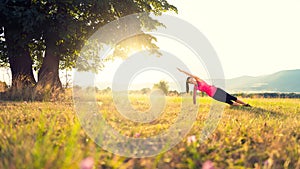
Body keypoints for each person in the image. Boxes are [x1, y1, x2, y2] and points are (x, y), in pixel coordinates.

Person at [177, 68, 251, 107]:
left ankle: (245, 104)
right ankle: (242, 107)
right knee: (229, 102)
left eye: (191, 80)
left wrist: (182, 71)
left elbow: (191, 74)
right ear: (190, 83)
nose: (191, 81)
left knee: (232, 97)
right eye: (190, 82)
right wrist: (194, 104)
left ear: (192, 78)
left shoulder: (198, 79)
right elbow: (194, 96)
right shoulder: (195, 88)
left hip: (217, 90)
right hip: (213, 95)